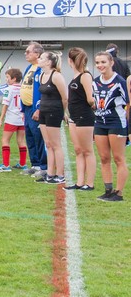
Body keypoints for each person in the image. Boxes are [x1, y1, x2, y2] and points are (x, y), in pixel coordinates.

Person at [93, 50, 129, 201]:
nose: (100, 65)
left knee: (118, 158)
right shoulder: (95, 81)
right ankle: (108, 190)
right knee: (104, 157)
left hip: (116, 123)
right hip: (100, 122)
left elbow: (128, 103)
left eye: (103, 62)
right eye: (97, 62)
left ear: (111, 63)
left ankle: (118, 193)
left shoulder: (120, 81)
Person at [33, 51, 67, 185]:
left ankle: (60, 174)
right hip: (44, 111)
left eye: (41, 58)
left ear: (48, 62)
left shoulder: (56, 76)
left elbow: (64, 97)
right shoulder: (42, 75)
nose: (39, 59)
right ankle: (50, 173)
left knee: (55, 144)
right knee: (48, 144)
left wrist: (63, 112)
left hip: (54, 111)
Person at [65, 48, 96, 191]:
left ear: (70, 60)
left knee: (87, 150)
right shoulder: (75, 76)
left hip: (84, 116)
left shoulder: (85, 76)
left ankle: (89, 183)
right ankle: (79, 182)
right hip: (74, 117)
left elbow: (90, 98)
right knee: (78, 150)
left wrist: (94, 105)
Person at [0, 68, 28, 172]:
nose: (6, 79)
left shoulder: (9, 89)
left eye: (8, 77)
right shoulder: (24, 88)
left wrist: (0, 119)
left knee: (5, 140)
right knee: (21, 140)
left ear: (14, 78)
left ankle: (6, 165)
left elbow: (5, 105)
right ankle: (23, 163)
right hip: (22, 118)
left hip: (12, 119)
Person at [21, 42, 47, 178]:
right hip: (26, 108)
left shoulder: (41, 69)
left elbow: (43, 91)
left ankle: (44, 166)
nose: (25, 54)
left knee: (38, 136)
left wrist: (39, 108)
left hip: (35, 107)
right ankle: (35, 164)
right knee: (30, 136)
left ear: (37, 54)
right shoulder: (29, 67)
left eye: (28, 51)